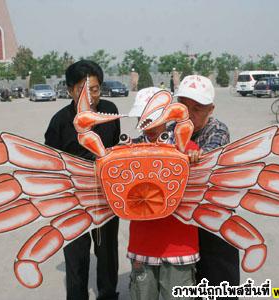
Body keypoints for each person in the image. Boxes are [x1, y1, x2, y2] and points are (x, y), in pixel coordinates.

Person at [44, 60, 120, 300]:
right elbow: (49, 163)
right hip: (72, 201)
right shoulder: (59, 121)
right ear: (69, 90)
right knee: (76, 258)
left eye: (95, 89)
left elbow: (116, 148)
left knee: (107, 253)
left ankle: (108, 294)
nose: (90, 95)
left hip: (106, 198)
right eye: (81, 90)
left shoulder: (109, 111)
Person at [127, 87, 200, 300]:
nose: (148, 124)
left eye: (155, 117)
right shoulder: (127, 152)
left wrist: (196, 161)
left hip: (180, 245)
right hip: (142, 243)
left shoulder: (188, 148)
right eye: (143, 118)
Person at [174, 75, 239, 300]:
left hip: (214, 218)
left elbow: (207, 160)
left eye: (198, 108)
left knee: (220, 283)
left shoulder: (217, 130)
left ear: (210, 108)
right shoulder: (169, 129)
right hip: (183, 220)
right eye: (183, 106)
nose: (189, 113)